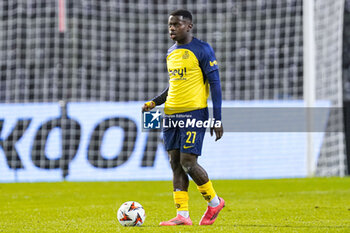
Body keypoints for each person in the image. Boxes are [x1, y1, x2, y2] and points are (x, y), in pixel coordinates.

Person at [142, 9, 224, 226]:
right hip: (171, 113)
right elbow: (174, 86)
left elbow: (215, 85)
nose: (172, 28)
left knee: (188, 162)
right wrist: (154, 102)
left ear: (189, 26)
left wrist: (217, 118)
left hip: (194, 113)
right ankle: (182, 215)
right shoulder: (170, 52)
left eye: (177, 24)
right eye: (170, 24)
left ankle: (214, 202)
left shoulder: (202, 49)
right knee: (175, 164)